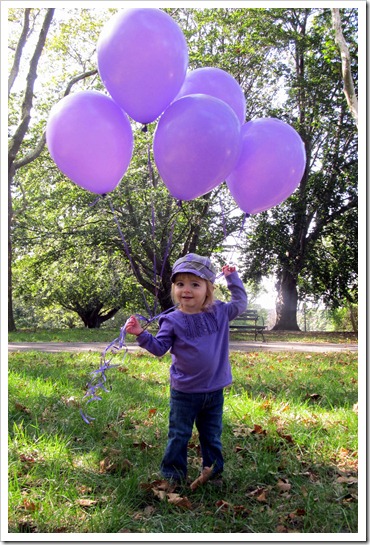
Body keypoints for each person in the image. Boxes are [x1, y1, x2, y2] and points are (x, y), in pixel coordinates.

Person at [125, 253, 247, 486]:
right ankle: (173, 475)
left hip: (214, 391)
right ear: (174, 289)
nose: (186, 289)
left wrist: (232, 278)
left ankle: (212, 474)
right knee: (179, 435)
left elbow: (240, 303)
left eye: (195, 284)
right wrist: (141, 334)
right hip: (184, 392)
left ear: (208, 289)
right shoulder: (171, 320)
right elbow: (160, 348)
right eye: (180, 284)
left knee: (211, 436)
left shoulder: (220, 311)